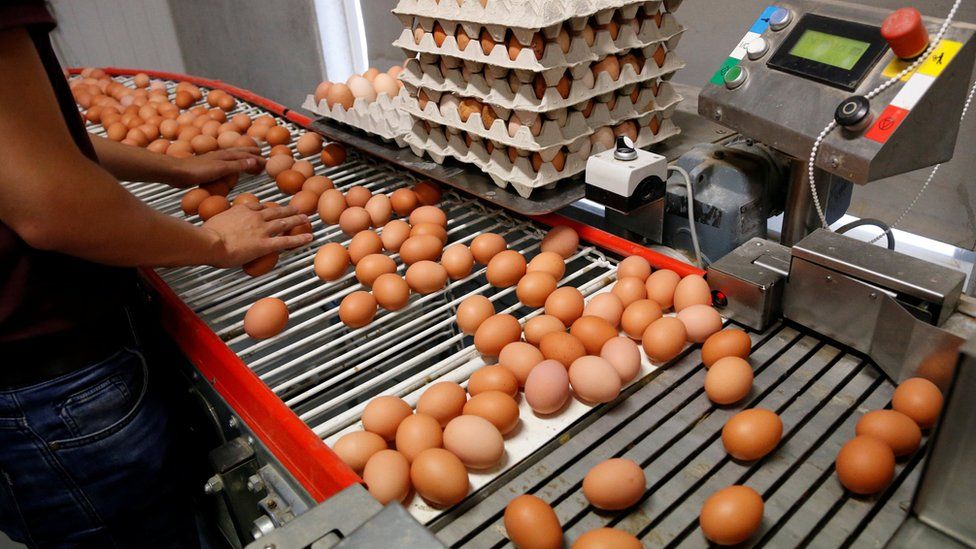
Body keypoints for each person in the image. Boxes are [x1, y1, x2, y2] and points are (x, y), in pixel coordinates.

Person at [0, 2, 312, 546]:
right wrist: (213, 242)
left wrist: (174, 167)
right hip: (47, 384)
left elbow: (38, 143)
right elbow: (47, 202)